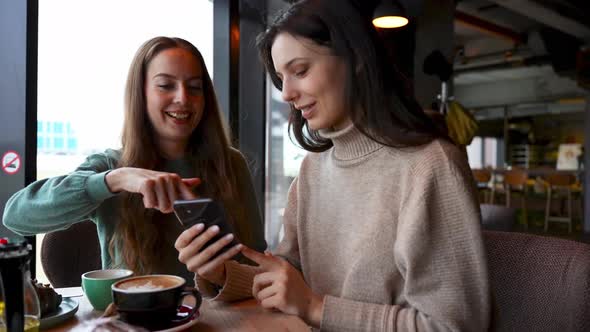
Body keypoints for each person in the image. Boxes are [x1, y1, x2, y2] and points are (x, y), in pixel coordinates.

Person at [175, 0, 491, 330]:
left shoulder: (430, 167)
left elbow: (454, 325)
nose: (286, 94)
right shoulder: (313, 168)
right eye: (281, 78)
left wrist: (315, 307)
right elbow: (291, 274)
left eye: (300, 71)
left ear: (354, 58)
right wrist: (222, 273)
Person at [3, 37, 266, 285]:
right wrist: (114, 180)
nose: (183, 98)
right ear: (141, 94)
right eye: (166, 85)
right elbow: (16, 216)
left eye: (195, 87)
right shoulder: (110, 166)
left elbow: (256, 261)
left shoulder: (231, 164)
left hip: (220, 317)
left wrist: (221, 273)